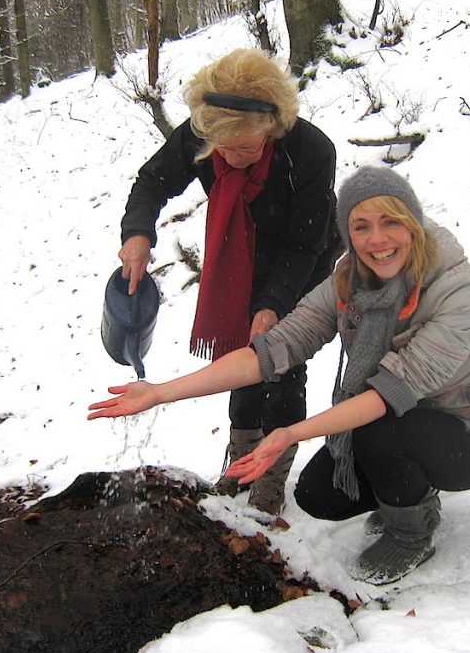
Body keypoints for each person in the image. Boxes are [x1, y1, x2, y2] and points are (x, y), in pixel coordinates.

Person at [91, 165, 470, 585]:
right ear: (348, 235)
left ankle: (412, 532)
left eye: (391, 222)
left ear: (414, 225)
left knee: (379, 432)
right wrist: (161, 392)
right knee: (319, 494)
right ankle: (409, 491)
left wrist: (289, 433)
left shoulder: (458, 292)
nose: (378, 239)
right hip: (399, 421)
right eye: (361, 226)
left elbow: (385, 396)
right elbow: (270, 351)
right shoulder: (348, 282)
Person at [116, 48, 341, 514]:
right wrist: (138, 234)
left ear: (273, 126)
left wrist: (273, 303)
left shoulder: (311, 151)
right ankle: (241, 462)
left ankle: (270, 475)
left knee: (279, 364)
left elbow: (305, 245)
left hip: (304, 260)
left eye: (246, 147)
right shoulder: (204, 134)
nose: (232, 157)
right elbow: (152, 182)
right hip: (240, 258)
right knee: (240, 359)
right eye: (224, 147)